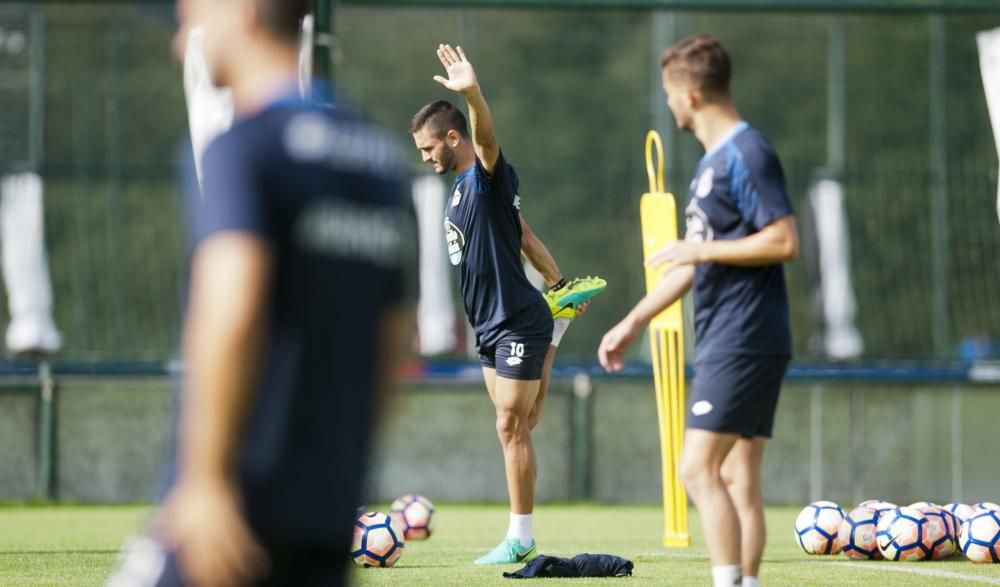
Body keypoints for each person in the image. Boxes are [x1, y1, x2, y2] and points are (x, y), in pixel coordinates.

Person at [108, 0, 412, 585]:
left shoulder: (243, 148)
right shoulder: (379, 159)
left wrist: (206, 481)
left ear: (242, 11)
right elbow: (392, 340)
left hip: (232, 516)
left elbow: (233, 308)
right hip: (326, 514)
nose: (182, 45)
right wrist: (342, 476)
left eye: (192, 22)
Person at [598, 34, 798, 587]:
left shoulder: (746, 153)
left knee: (696, 468)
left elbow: (783, 241)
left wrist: (702, 249)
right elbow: (691, 264)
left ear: (688, 95)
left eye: (668, 92)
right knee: (737, 477)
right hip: (741, 335)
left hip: (743, 335)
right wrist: (633, 320)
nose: (667, 103)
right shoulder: (713, 163)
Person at [410, 44, 605, 565]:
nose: (425, 157)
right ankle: (557, 326)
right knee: (525, 420)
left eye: (429, 148)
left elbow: (487, 138)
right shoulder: (460, 193)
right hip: (489, 328)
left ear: (455, 138)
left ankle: (520, 536)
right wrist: (558, 281)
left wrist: (471, 92)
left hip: (517, 318)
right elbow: (523, 234)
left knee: (509, 426)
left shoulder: (484, 177)